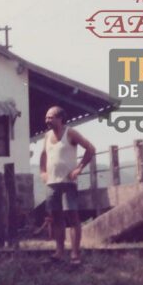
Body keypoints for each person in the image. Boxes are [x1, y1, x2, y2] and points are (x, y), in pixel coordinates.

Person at [40, 105, 95, 264]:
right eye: (46, 117)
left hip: (68, 183)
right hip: (52, 184)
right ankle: (59, 252)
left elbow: (90, 149)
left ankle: (75, 254)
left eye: (50, 117)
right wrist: (43, 172)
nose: (47, 120)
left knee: (72, 217)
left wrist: (79, 168)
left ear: (60, 118)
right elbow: (43, 155)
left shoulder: (70, 132)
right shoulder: (47, 135)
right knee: (56, 218)